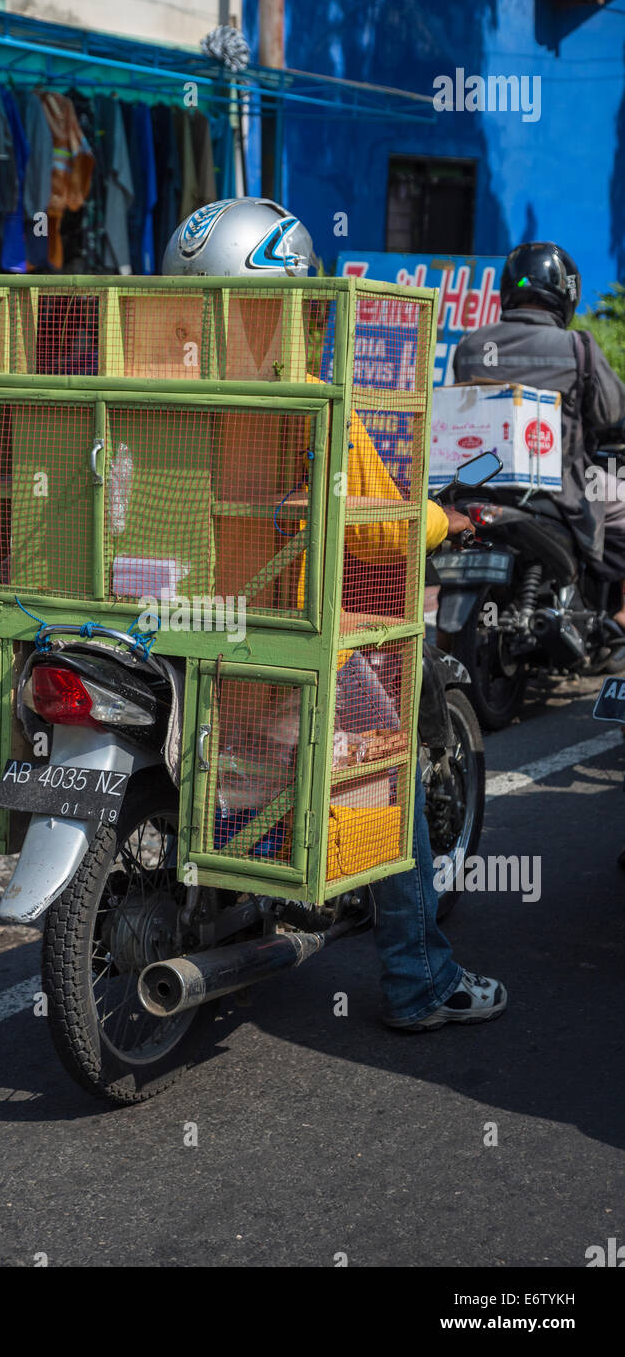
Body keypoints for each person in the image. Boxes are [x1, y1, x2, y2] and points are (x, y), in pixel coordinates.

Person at [163, 198, 507, 1029]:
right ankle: (421, 980)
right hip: (285, 637)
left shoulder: (152, 394)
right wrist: (441, 520)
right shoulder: (312, 402)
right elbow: (384, 534)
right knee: (386, 780)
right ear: (295, 300)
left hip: (171, 624)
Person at [454, 241, 625, 634]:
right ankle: (620, 613)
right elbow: (612, 412)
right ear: (566, 293)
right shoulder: (576, 347)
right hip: (557, 488)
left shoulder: (471, 345)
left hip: (475, 483)